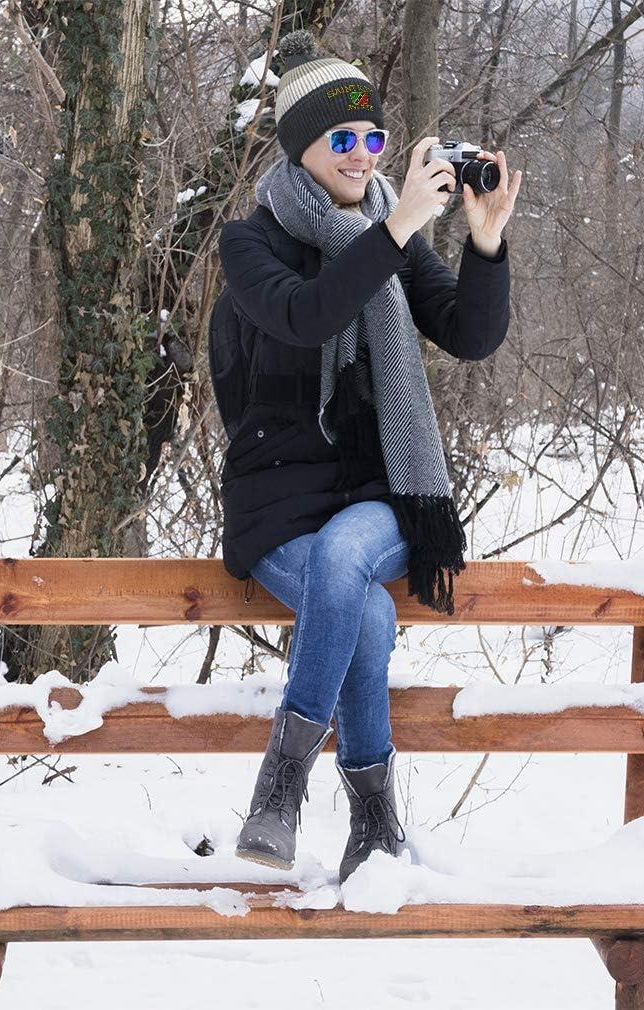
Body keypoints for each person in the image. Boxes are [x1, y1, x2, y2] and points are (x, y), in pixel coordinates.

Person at [217, 29, 521, 883]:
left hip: (377, 499)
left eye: (373, 138)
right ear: (300, 148)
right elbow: (309, 314)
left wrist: (485, 242)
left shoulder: (391, 227)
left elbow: (468, 333)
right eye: (340, 140)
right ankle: (376, 829)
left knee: (351, 555)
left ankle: (280, 786)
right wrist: (394, 227)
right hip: (276, 508)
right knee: (369, 615)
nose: (361, 154)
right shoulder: (251, 245)